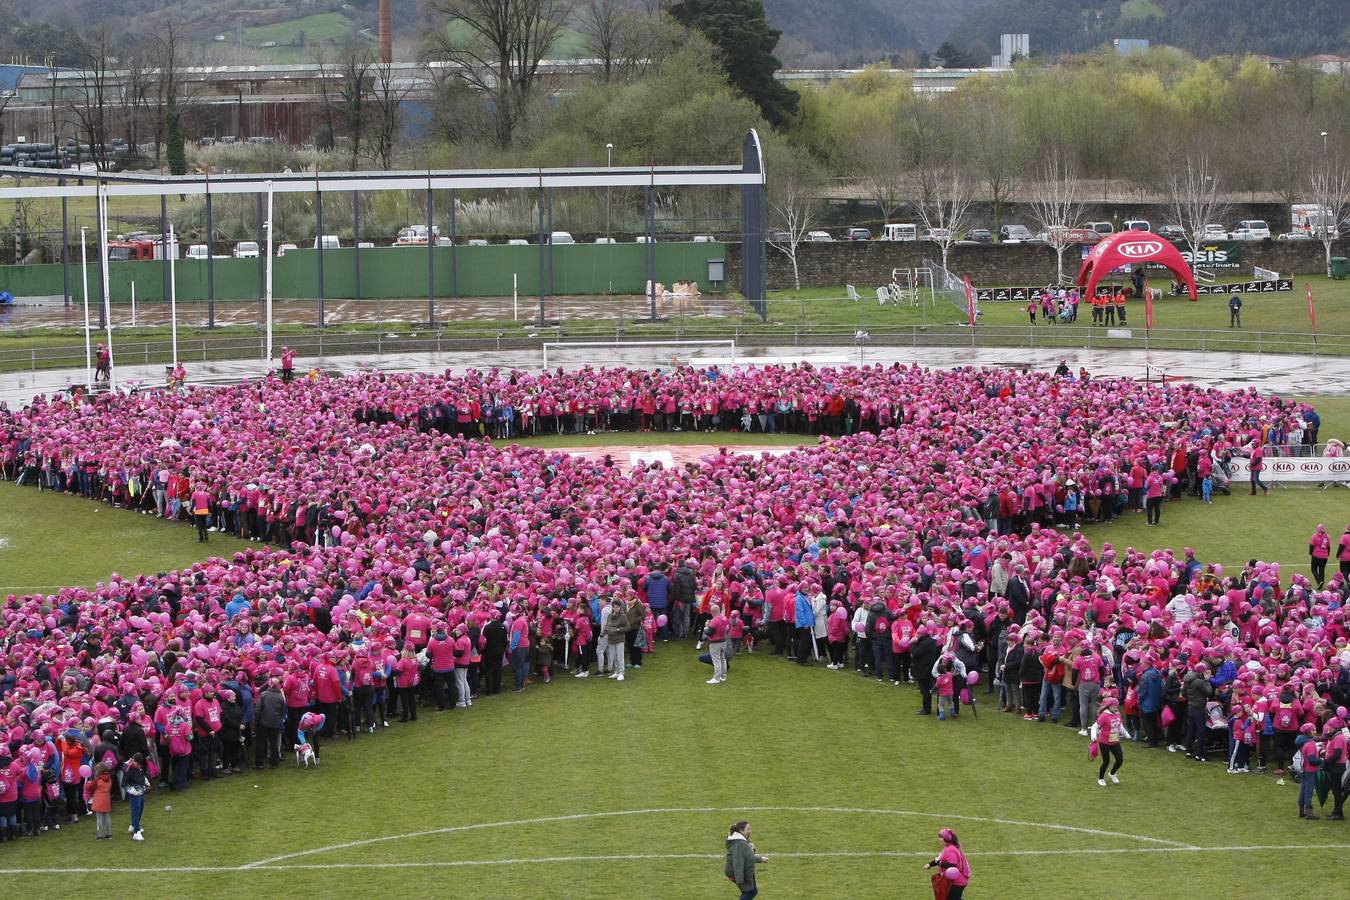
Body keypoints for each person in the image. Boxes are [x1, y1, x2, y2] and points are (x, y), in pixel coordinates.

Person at [724, 821, 767, 900]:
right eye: (748, 829)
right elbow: (738, 862)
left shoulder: (742, 840)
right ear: (741, 830)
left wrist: (753, 851)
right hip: (737, 872)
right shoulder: (739, 843)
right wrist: (740, 879)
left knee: (752, 891)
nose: (750, 831)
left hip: (742, 870)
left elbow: (747, 856)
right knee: (750, 892)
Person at [924, 828, 970, 900]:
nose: (940, 839)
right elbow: (940, 859)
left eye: (941, 837)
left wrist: (939, 862)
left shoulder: (950, 849)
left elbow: (952, 865)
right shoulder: (948, 847)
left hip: (957, 882)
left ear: (946, 839)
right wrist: (930, 864)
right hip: (954, 881)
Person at [1093, 695, 1128, 786]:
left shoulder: (1118, 714)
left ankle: (1112, 774)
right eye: (1114, 706)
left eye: (1117, 706)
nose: (1116, 708)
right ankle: (1100, 778)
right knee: (1106, 761)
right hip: (1104, 742)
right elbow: (1095, 726)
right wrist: (1094, 737)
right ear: (1109, 706)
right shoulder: (1104, 716)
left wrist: (1126, 734)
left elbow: (1120, 726)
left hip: (1114, 741)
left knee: (1120, 759)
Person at [122, 753, 148, 840]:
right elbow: (124, 784)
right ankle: (136, 832)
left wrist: (145, 780)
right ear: (134, 761)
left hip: (141, 791)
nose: (139, 766)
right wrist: (131, 790)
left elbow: (141, 776)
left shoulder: (139, 767)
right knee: (136, 810)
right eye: (138, 764)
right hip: (134, 794)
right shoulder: (128, 769)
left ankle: (134, 825)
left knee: (141, 809)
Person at [706, 603, 730, 684]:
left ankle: (716, 678)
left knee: (716, 660)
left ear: (712, 612)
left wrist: (706, 627)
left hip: (715, 643)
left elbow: (710, 633)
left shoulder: (714, 621)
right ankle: (723, 676)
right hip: (723, 641)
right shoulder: (724, 618)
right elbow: (727, 628)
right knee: (723, 659)